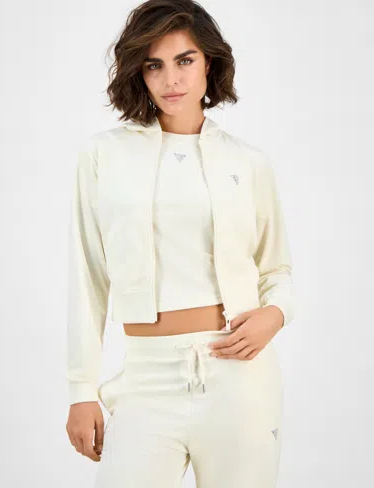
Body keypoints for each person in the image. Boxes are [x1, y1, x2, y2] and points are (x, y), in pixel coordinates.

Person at [65, 0, 295, 486]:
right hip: (145, 377)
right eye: (155, 65)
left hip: (240, 375)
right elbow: (87, 276)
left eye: (185, 60)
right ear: (139, 72)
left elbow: (276, 269)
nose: (171, 79)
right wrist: (82, 390)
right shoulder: (104, 155)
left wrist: (275, 315)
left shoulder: (248, 162)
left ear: (209, 62)